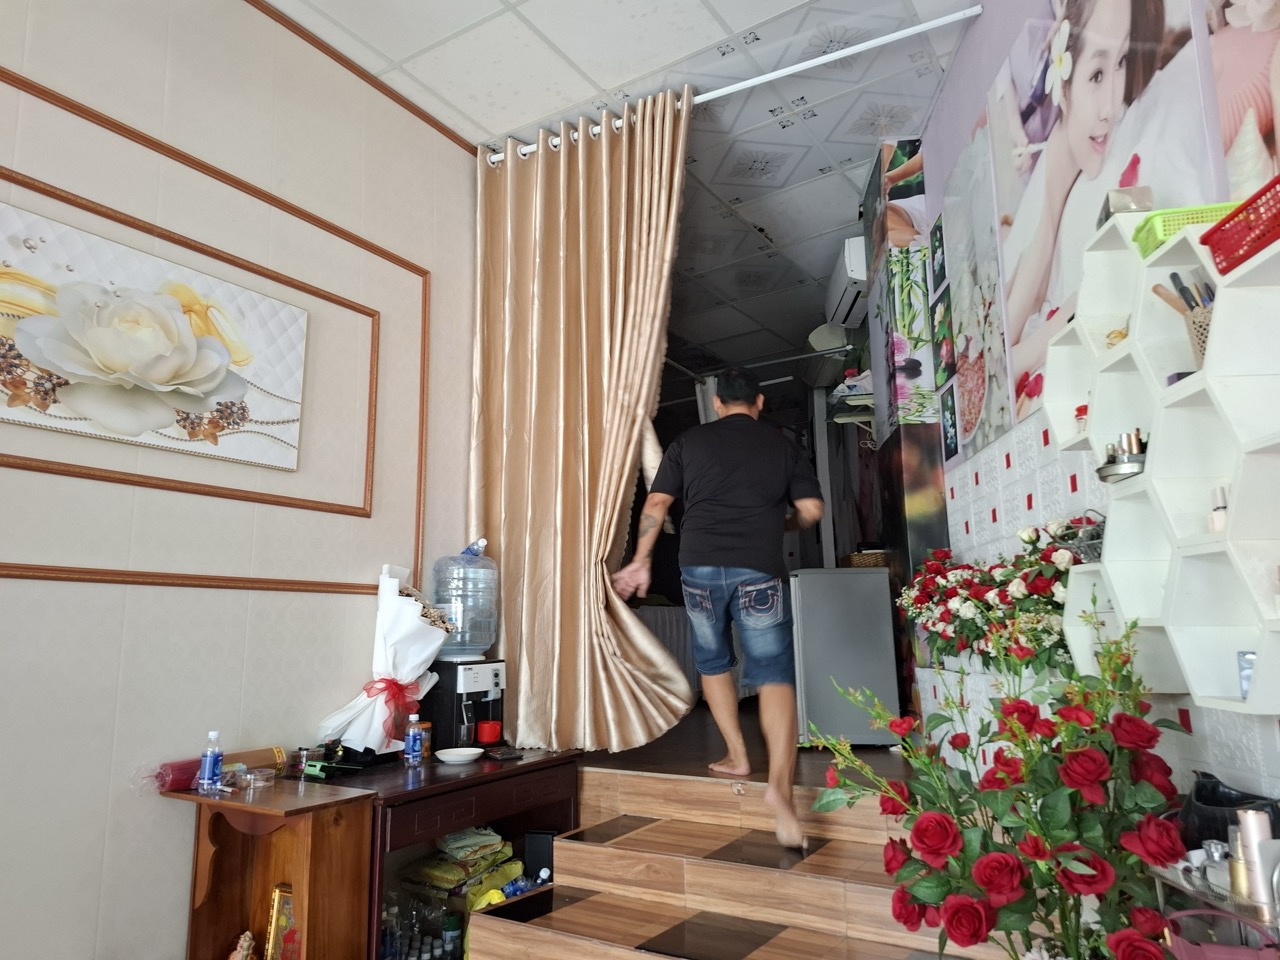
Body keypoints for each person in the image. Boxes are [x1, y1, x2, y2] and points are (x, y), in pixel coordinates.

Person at [611, 368, 824, 849]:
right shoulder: (782, 446)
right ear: (759, 402)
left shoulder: (689, 442)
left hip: (699, 566)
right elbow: (812, 511)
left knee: (713, 661)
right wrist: (778, 523)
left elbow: (657, 502)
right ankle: (780, 789)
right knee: (773, 674)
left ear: (717, 403)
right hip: (758, 566)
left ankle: (737, 755)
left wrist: (640, 560)